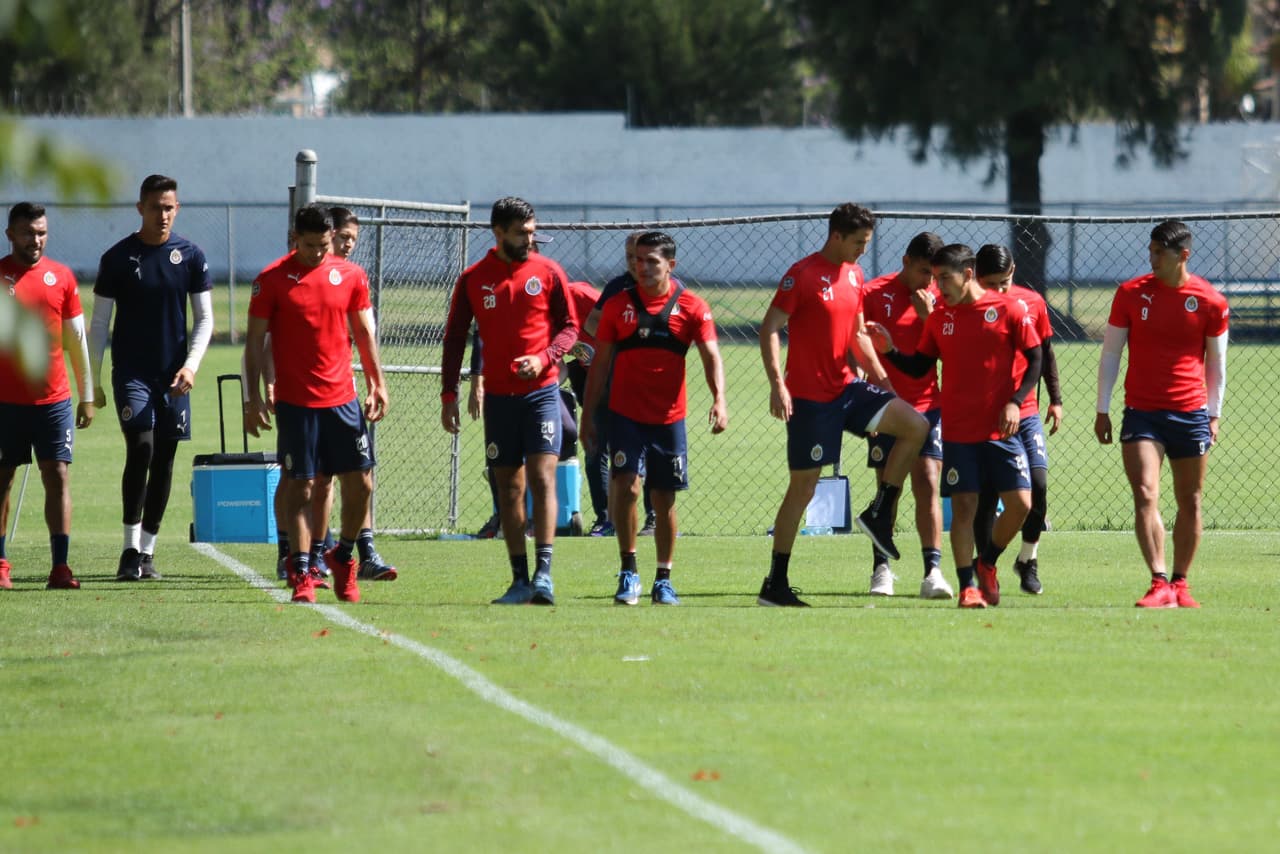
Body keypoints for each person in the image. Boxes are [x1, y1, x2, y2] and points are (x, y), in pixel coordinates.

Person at [757, 203, 929, 607]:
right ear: (836, 236)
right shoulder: (801, 275)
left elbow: (857, 335)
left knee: (915, 425)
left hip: (848, 389)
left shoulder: (855, 274)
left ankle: (878, 512)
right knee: (803, 488)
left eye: (867, 242)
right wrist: (777, 384)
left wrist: (885, 384)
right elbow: (769, 328)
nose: (863, 250)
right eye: (858, 242)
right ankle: (775, 583)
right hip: (810, 399)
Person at [869, 243, 1042, 608]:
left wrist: (1015, 402)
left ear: (967, 274)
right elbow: (920, 367)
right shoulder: (939, 318)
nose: (938, 286)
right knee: (964, 508)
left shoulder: (1009, 309)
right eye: (934, 277)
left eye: (944, 278)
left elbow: (1035, 357)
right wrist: (889, 351)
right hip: (959, 433)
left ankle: (987, 561)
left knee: (1021, 505)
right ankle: (968, 586)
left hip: (1001, 430)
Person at [244, 203, 389, 604]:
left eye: (324, 245)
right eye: (310, 246)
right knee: (302, 486)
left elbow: (363, 333)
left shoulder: (351, 275)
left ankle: (342, 556)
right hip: (297, 403)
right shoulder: (271, 280)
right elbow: (254, 343)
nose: (318, 253)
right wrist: (252, 396)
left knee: (361, 483)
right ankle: (302, 570)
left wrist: (377, 383)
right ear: (295, 239)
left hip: (343, 400)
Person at [440, 197, 578, 605]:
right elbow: (454, 339)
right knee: (509, 488)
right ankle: (519, 580)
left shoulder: (549, 272)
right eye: (521, 233)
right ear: (498, 232)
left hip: (542, 394)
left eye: (532, 232)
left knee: (542, 478)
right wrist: (449, 393)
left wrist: (544, 358)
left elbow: (570, 328)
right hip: (500, 399)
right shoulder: (473, 279)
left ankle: (544, 575)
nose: (529, 239)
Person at [581, 231, 728, 606]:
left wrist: (719, 399)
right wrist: (588, 416)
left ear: (671, 265)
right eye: (637, 259)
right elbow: (600, 365)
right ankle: (628, 570)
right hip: (624, 415)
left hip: (668, 419)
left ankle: (664, 578)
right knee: (628, 488)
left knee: (663, 499)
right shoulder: (618, 306)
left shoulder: (692, 307)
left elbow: (711, 355)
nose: (641, 267)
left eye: (651, 261)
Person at [1095, 220, 1228, 609]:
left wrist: (1214, 415)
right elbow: (1111, 352)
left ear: (1183, 255)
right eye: (1150, 251)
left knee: (1191, 499)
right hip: (1142, 413)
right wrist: (1103, 409)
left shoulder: (1211, 301)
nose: (1152, 259)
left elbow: (1216, 364)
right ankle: (1158, 582)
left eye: (1160, 253)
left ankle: (1180, 584)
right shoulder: (1130, 293)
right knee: (1145, 492)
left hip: (1191, 414)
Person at [89, 174, 213, 582]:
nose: (163, 215)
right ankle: (128, 550)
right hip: (132, 374)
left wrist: (191, 366)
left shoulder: (191, 256)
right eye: (156, 207)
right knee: (141, 447)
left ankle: (147, 553)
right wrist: (93, 381)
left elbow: (205, 319)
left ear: (178, 209)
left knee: (164, 459)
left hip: (174, 376)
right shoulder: (117, 258)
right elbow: (100, 324)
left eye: (169, 208)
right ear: (140, 208)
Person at [0, 203, 95, 590]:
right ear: (10, 235)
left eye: (41, 232)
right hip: (6, 402)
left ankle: (60, 567)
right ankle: (0, 562)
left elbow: (76, 339)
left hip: (53, 401)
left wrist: (87, 393)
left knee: (57, 476)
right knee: (3, 479)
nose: (35, 239)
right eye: (28, 232)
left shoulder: (62, 277)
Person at [860, 232, 954, 599]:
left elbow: (953, 354)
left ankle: (933, 572)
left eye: (935, 274)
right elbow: (856, 344)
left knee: (928, 483)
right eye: (922, 272)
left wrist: (931, 317)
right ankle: (881, 569)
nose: (929, 281)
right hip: (884, 408)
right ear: (905, 262)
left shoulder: (941, 299)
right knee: (889, 488)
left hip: (928, 405)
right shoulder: (873, 293)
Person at [972, 244, 1064, 595]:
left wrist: (1055, 399)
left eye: (1004, 282)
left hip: (1025, 412)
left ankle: (1028, 560)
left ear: (1013, 272)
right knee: (987, 495)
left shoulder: (1032, 303)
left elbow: (1045, 354)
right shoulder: (967, 308)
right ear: (975, 278)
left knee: (1038, 485)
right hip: (985, 417)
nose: (999, 291)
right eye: (991, 284)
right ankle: (987, 568)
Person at [584, 230, 659, 536]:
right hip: (613, 385)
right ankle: (607, 519)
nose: (633, 262)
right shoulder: (617, 287)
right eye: (628, 256)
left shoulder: (665, 288)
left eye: (638, 256)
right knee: (601, 452)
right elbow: (591, 321)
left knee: (653, 454)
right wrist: (614, 335)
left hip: (652, 389)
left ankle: (653, 517)